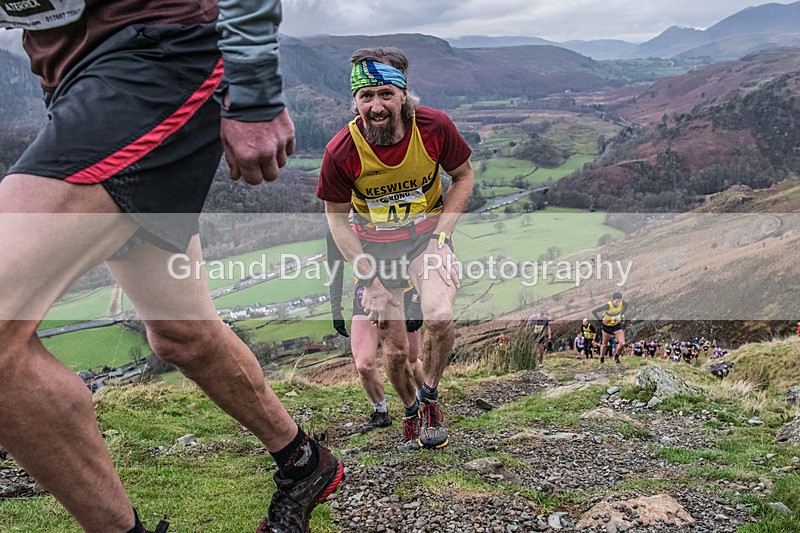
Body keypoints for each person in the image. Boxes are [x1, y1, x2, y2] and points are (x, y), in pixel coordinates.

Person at [0, 2, 344, 532]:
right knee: (182, 335)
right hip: (72, 79)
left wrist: (253, 87)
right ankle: (303, 464)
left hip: (156, 56)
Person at [317, 47, 474, 452]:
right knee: (396, 348)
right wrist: (367, 278)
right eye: (366, 96)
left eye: (385, 93)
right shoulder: (341, 151)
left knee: (439, 315)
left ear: (403, 95)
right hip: (376, 249)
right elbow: (336, 220)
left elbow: (463, 176)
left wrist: (442, 239)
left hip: (425, 239)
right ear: (355, 101)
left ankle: (431, 398)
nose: (376, 105)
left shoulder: (434, 127)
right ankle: (408, 408)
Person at [326, 231, 424, 434]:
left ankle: (426, 403)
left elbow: (418, 259)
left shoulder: (387, 215)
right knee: (363, 364)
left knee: (410, 360)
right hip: (367, 295)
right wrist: (335, 307)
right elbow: (335, 267)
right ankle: (381, 412)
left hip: (403, 292)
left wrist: (417, 303)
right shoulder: (337, 226)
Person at [592, 291, 628, 364]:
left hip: (616, 325)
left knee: (622, 343)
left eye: (619, 301)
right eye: (616, 301)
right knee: (605, 344)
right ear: (612, 300)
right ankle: (602, 359)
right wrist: (601, 320)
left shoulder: (622, 302)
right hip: (607, 326)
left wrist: (621, 316)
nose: (618, 303)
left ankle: (617, 356)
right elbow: (594, 311)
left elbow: (626, 306)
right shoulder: (608, 306)